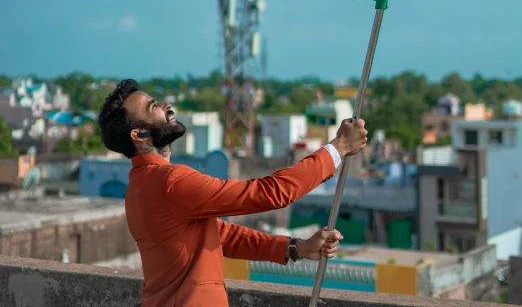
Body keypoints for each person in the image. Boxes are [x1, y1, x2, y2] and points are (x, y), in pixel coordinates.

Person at [98, 79, 368, 307]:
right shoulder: (170, 181)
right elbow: (268, 193)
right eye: (152, 107)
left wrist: (296, 248)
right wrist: (338, 148)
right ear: (139, 134)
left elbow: (220, 235)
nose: (165, 106)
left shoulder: (140, 186)